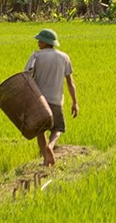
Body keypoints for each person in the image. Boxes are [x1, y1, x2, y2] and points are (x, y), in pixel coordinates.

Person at [25, 28, 78, 167]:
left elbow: (26, 77)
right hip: (56, 100)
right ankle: (51, 145)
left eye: (39, 41)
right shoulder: (64, 57)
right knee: (58, 128)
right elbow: (70, 82)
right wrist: (74, 102)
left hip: (38, 100)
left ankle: (45, 158)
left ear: (44, 42)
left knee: (40, 130)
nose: (38, 43)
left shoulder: (36, 56)